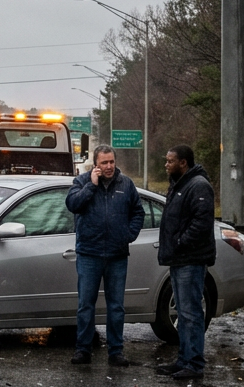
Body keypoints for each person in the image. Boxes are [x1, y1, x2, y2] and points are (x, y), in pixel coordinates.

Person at [65, 144, 145, 367]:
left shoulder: (125, 184)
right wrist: (91, 185)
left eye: (112, 162)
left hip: (117, 255)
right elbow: (73, 204)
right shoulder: (81, 182)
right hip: (89, 253)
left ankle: (116, 351)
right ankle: (83, 350)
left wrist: (128, 235)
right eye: (104, 163)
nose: (109, 166)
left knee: (116, 306)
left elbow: (138, 212)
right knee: (86, 305)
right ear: (95, 164)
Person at [155, 145, 216, 380]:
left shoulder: (198, 185)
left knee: (191, 314)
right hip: (179, 258)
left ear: (183, 163)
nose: (166, 164)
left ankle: (195, 364)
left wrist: (180, 242)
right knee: (182, 312)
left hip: (191, 259)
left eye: (170, 161)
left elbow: (202, 223)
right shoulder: (180, 184)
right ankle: (183, 359)